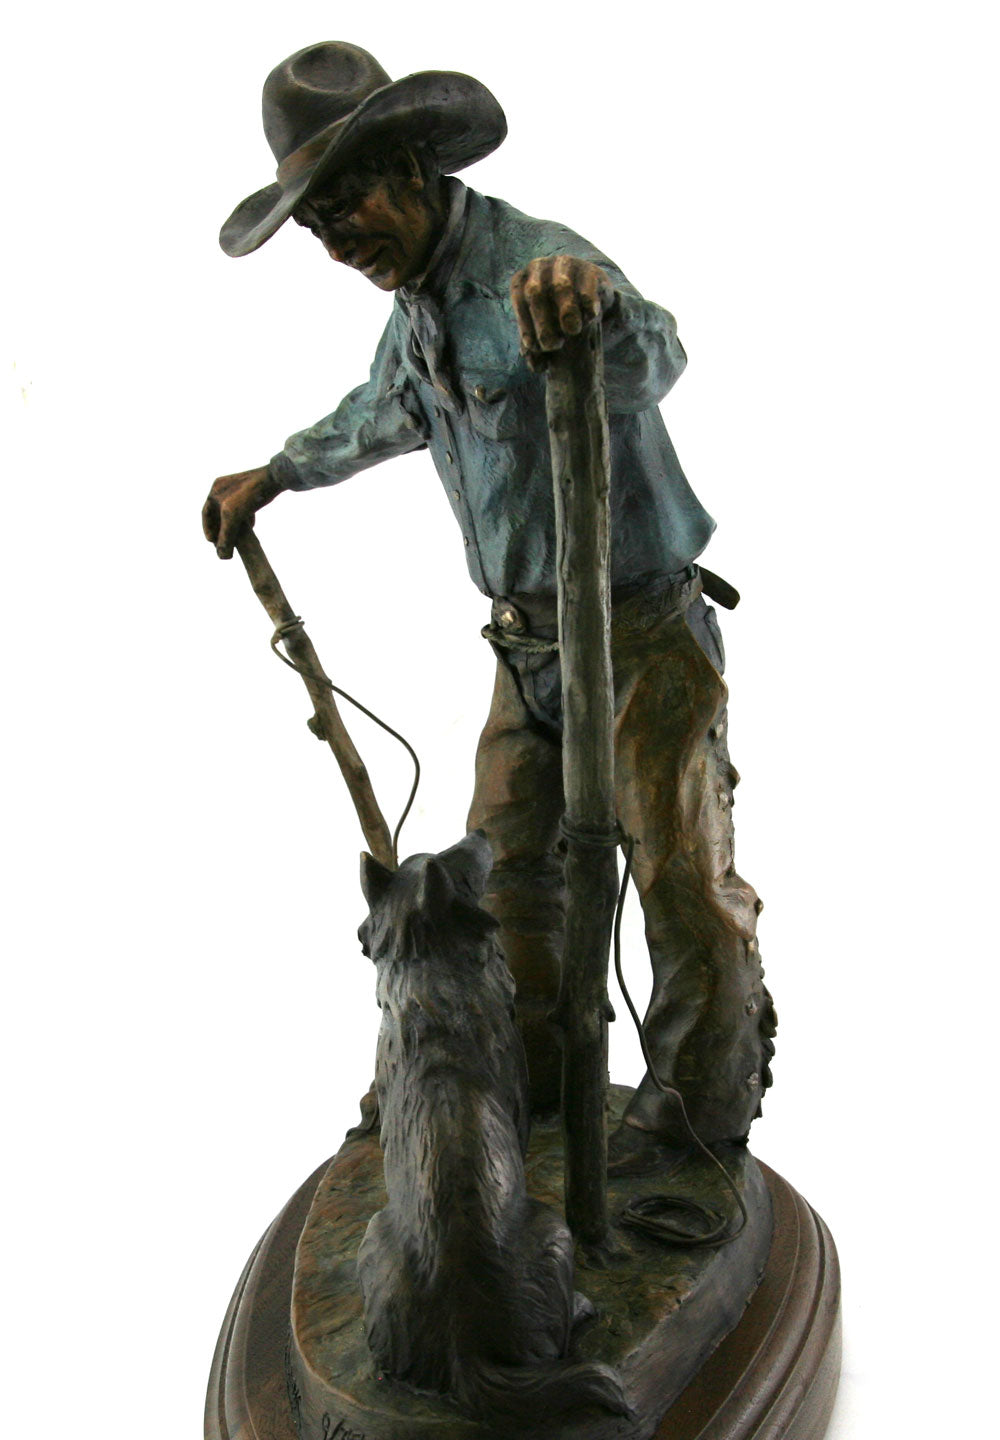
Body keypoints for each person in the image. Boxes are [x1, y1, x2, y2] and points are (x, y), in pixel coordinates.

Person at [203, 41, 776, 1167]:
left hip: (640, 634)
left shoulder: (535, 264)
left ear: (412, 168)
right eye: (315, 227)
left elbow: (657, 355)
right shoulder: (417, 307)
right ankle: (527, 1080)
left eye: (346, 206)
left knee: (677, 874)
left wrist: (593, 313)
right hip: (525, 652)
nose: (338, 243)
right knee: (502, 876)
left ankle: (697, 1120)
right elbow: (381, 409)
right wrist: (275, 472)